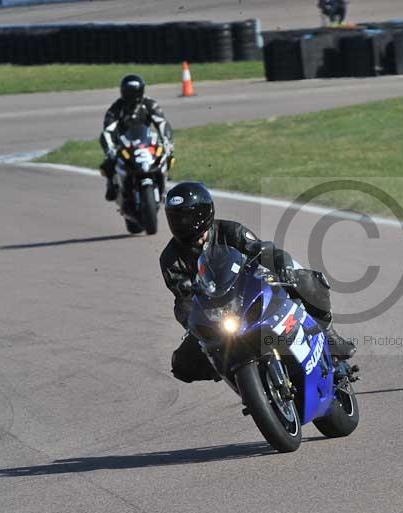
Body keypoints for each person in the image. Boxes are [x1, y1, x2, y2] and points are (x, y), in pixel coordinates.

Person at [160, 181, 356, 383]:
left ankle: (329, 335)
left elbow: (262, 251)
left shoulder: (229, 230)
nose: (182, 223)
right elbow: (183, 299)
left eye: (187, 216)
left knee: (301, 277)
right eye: (176, 218)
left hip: (251, 290)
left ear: (203, 212)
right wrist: (191, 323)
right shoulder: (170, 259)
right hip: (216, 316)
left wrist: (283, 267)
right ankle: (238, 376)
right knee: (182, 364)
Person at [100, 74, 173, 202]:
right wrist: (110, 150)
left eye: (134, 93)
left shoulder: (150, 104)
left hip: (146, 142)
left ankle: (164, 183)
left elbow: (162, 123)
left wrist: (167, 142)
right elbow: (108, 131)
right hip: (124, 146)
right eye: (128, 93)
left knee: (167, 156)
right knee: (108, 163)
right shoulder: (116, 108)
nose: (131, 97)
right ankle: (112, 184)